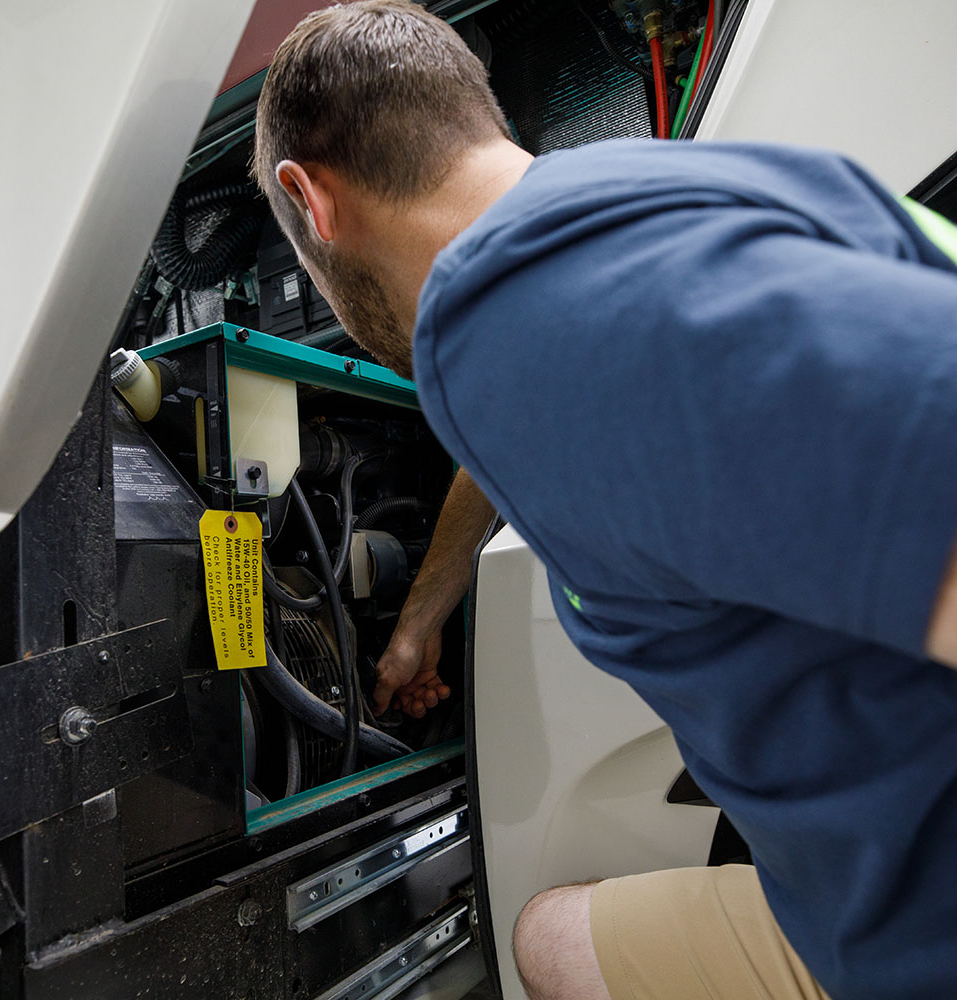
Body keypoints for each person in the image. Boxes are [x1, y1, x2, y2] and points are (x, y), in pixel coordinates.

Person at [251, 2, 957, 998]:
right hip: (863, 883)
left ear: (308, 202)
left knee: (551, 944)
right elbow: (602, 401)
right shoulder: (620, 213)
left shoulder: (549, 328)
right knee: (554, 939)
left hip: (919, 931)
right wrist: (421, 618)